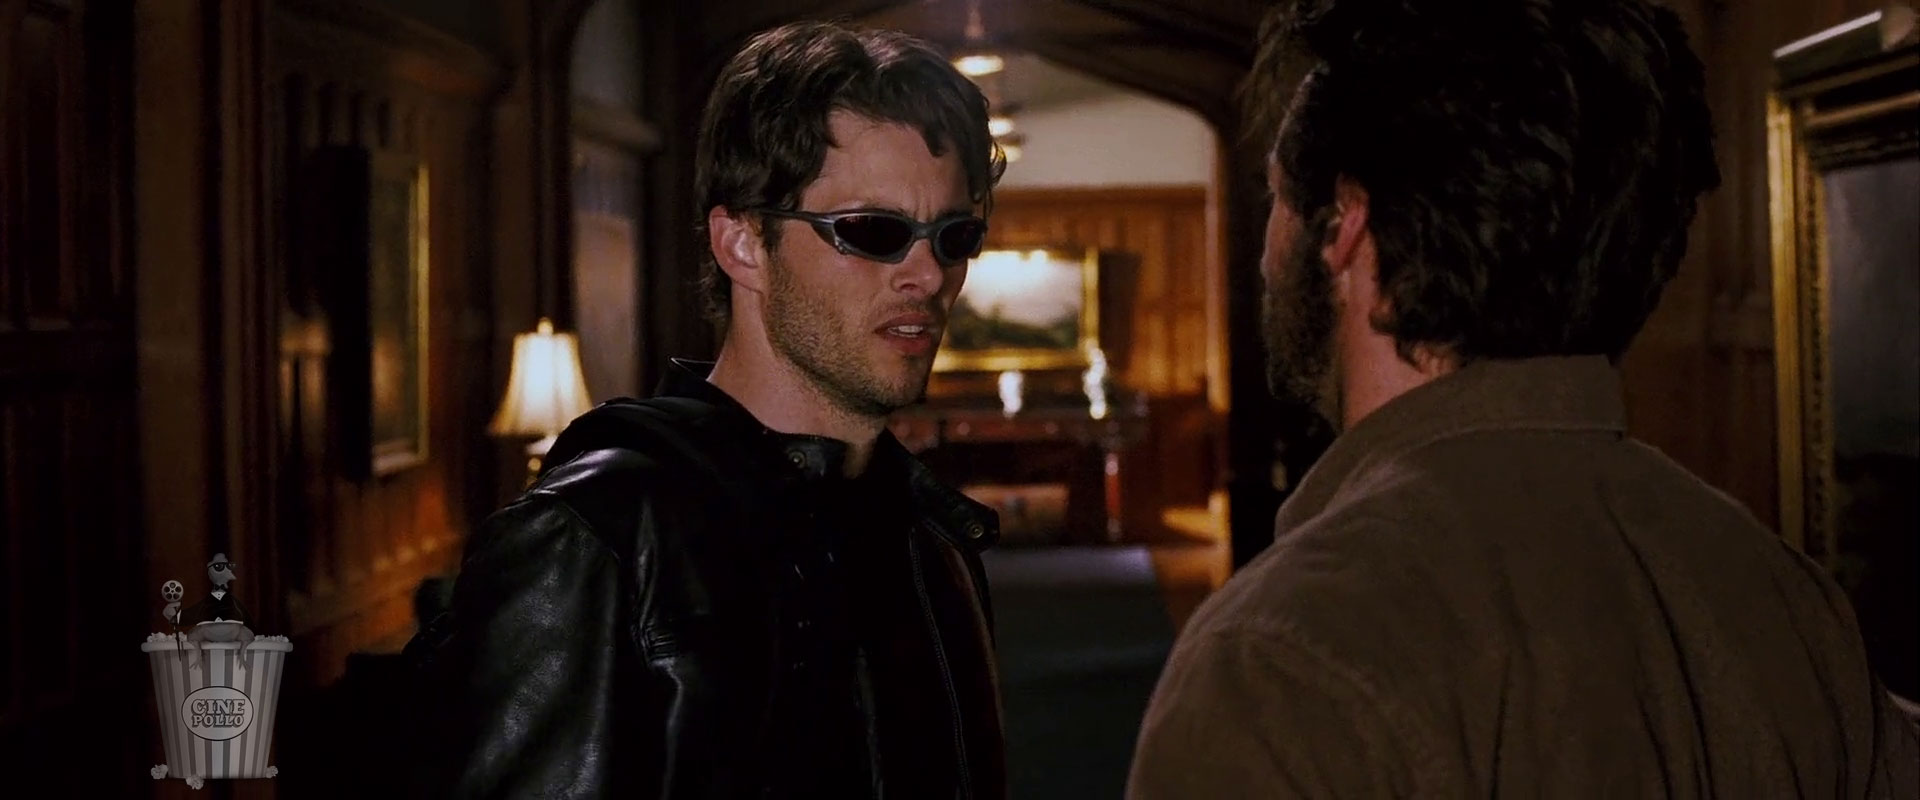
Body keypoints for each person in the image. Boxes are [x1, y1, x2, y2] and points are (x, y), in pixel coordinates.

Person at [1128, 0, 1920, 796]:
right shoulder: (1790, 600)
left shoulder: (1278, 661)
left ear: (1347, 227)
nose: (1268, 253)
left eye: (1275, 198)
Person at [408, 21, 1007, 799]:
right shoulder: (599, 535)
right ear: (742, 244)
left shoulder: (929, 536)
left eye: (955, 236)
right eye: (873, 231)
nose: (926, 275)